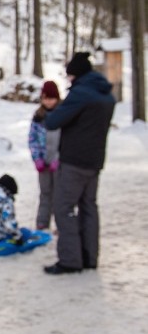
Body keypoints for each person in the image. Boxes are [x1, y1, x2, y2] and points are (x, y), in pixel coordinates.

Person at [43, 51, 115, 275]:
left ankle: (70, 260)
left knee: (63, 208)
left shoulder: (80, 94)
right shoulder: (106, 95)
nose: (69, 80)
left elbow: (53, 121)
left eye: (70, 76)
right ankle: (89, 257)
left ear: (76, 75)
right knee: (89, 208)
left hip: (73, 161)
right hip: (95, 161)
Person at [28, 80, 61, 230]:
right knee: (45, 193)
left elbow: (66, 140)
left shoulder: (63, 114)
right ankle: (42, 223)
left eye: (51, 98)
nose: (48, 102)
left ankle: (61, 225)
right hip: (43, 163)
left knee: (60, 195)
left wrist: (58, 158)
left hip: (58, 163)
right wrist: (37, 159)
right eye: (45, 98)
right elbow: (32, 139)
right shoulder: (38, 116)